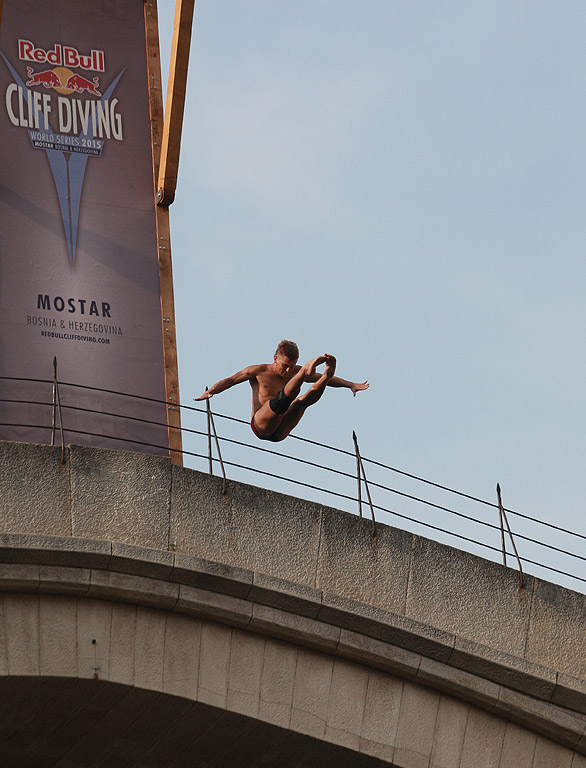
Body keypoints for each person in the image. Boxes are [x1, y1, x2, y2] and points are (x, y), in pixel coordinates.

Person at [194, 340, 369, 442]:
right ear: (275, 358)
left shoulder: (292, 371)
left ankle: (324, 375)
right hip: (262, 425)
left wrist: (350, 384)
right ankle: (305, 373)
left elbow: (332, 381)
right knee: (281, 401)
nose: (286, 371)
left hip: (280, 431)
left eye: (291, 367)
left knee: (302, 402)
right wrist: (212, 391)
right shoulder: (259, 371)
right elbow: (231, 380)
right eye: (285, 366)